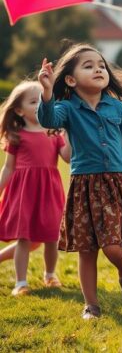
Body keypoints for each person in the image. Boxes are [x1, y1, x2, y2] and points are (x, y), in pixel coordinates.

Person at [37, 44, 122, 319]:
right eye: (88, 65)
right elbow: (47, 118)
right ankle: (91, 305)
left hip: (114, 184)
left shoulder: (118, 109)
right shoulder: (66, 108)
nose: (98, 68)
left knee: (112, 245)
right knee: (87, 250)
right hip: (84, 185)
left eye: (100, 64)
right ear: (71, 80)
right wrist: (47, 92)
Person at [0, 81, 70, 296]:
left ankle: (50, 274)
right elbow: (8, 167)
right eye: (33, 101)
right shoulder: (17, 135)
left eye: (43, 99)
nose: (40, 104)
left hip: (49, 191)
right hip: (24, 193)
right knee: (25, 238)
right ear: (19, 110)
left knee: (51, 237)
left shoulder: (54, 133)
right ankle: (20, 283)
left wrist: (69, 133)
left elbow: (67, 157)